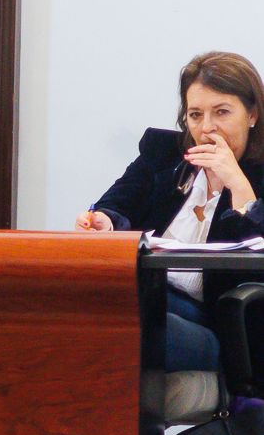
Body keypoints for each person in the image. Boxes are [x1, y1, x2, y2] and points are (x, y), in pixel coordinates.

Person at [78, 51, 264, 374]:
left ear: (252, 114)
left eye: (221, 112)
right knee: (80, 306)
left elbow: (253, 268)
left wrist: (238, 185)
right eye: (195, 115)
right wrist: (103, 221)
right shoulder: (163, 154)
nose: (207, 128)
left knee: (135, 320)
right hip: (148, 295)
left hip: (217, 326)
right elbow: (116, 204)